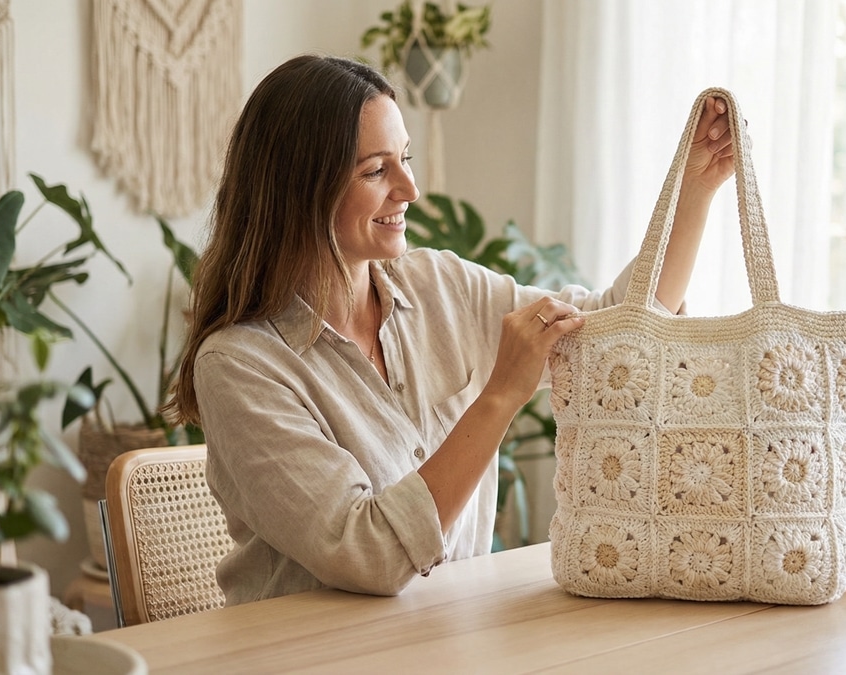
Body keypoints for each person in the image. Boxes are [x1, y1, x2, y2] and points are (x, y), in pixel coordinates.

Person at [166, 54, 737, 604]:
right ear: (300, 190)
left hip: (452, 635)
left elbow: (616, 326)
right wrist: (501, 395)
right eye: (376, 170)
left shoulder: (440, 285)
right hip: (310, 652)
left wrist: (696, 188)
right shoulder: (240, 366)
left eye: (405, 158)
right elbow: (369, 552)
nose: (409, 189)